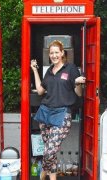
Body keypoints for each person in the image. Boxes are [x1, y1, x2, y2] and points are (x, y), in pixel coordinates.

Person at [30, 40, 86, 180]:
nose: (54, 55)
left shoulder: (71, 68)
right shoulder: (49, 71)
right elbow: (40, 91)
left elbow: (78, 93)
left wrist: (78, 83)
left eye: (56, 52)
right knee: (51, 152)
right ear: (49, 55)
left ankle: (43, 174)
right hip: (45, 114)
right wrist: (35, 70)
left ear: (62, 53)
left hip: (62, 114)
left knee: (49, 151)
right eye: (51, 53)